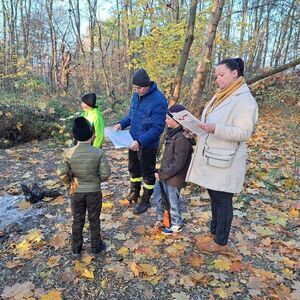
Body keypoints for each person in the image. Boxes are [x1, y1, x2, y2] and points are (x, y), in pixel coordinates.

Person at [186, 58, 258, 252]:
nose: (217, 79)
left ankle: (221, 243)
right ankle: (213, 233)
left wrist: (215, 128)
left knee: (222, 199)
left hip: (227, 159)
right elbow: (209, 121)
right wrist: (196, 128)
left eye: (221, 75)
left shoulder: (244, 99)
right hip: (214, 155)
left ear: (235, 73)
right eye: (216, 75)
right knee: (214, 195)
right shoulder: (222, 95)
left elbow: (244, 133)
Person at [114, 68, 168, 214]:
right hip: (132, 141)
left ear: (147, 84)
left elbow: (158, 127)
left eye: (140, 88)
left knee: (148, 173)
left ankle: (146, 198)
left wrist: (140, 141)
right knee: (133, 169)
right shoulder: (136, 96)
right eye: (136, 88)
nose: (138, 90)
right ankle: (135, 191)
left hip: (147, 145)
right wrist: (121, 124)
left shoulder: (159, 100)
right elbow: (132, 116)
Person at [57, 117, 111, 257]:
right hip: (94, 191)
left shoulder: (68, 153)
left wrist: (69, 183)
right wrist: (96, 180)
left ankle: (76, 248)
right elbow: (105, 174)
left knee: (77, 219)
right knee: (94, 219)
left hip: (76, 191)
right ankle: (96, 247)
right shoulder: (99, 153)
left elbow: (61, 173)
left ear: (74, 135)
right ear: (92, 134)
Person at [153, 104, 193, 235]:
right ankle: (163, 219)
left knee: (173, 202)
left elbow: (178, 164)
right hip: (165, 175)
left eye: (167, 118)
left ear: (176, 120)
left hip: (174, 179)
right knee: (159, 197)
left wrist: (163, 175)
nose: (165, 120)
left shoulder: (181, 139)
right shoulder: (172, 135)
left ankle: (176, 224)